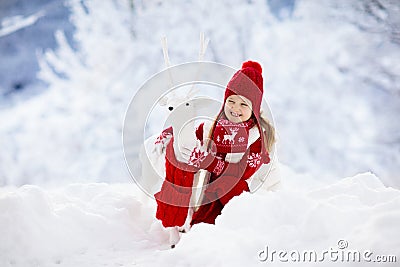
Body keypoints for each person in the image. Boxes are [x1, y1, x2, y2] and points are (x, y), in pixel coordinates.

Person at [154, 60, 275, 231]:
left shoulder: (256, 137)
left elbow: (241, 172)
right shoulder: (215, 127)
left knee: (224, 223)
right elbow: (192, 132)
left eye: (243, 104)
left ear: (254, 108)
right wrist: (171, 132)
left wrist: (208, 162)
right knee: (201, 226)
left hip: (239, 195)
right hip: (211, 193)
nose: (235, 108)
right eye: (231, 101)